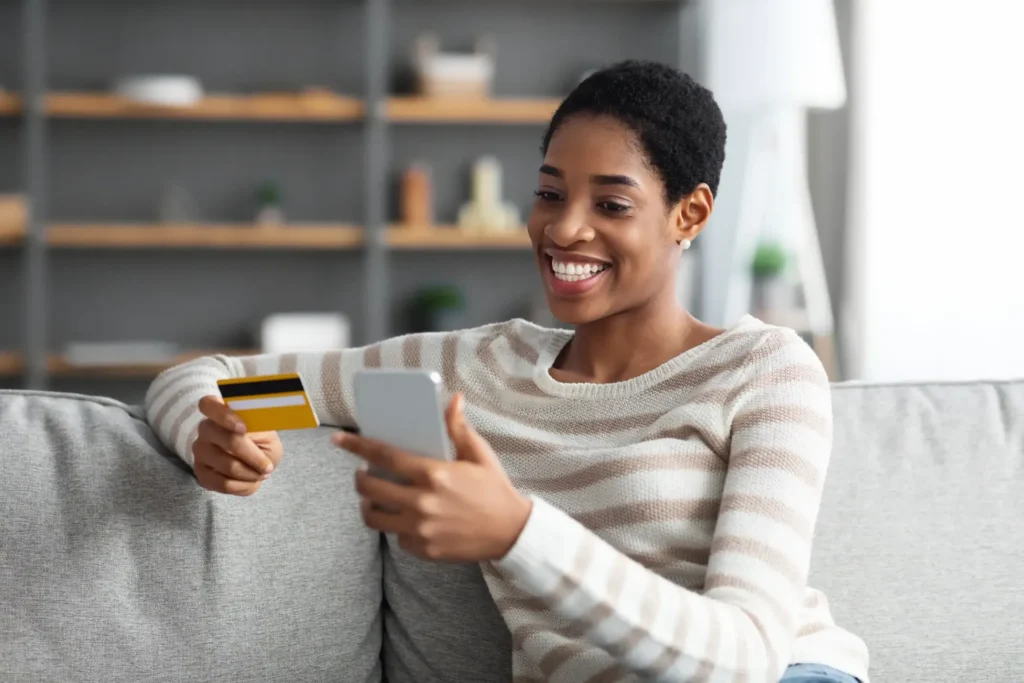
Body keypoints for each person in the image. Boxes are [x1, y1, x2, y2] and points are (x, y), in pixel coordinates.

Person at [145, 61, 868, 683]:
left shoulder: (763, 369)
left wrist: (516, 531)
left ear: (691, 213)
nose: (563, 228)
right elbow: (213, 377)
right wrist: (206, 434)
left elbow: (743, 655)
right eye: (550, 192)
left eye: (611, 204)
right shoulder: (477, 368)